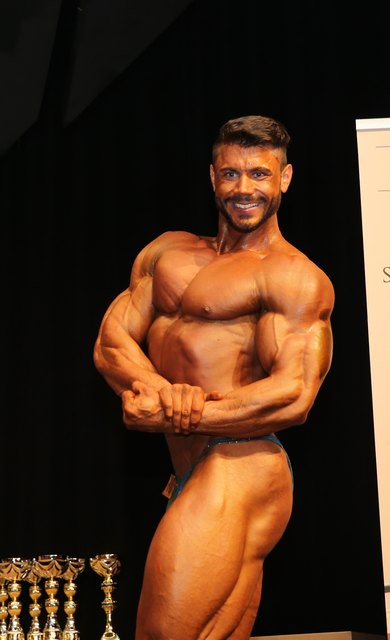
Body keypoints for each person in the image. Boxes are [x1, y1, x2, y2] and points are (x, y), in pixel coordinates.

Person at [93, 114, 335, 640]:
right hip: (191, 468)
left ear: (285, 178)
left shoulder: (292, 275)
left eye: (259, 174)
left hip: (240, 462)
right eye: (231, 174)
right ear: (212, 177)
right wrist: (162, 393)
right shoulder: (167, 252)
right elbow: (112, 340)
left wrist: (187, 412)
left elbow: (295, 394)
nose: (244, 188)